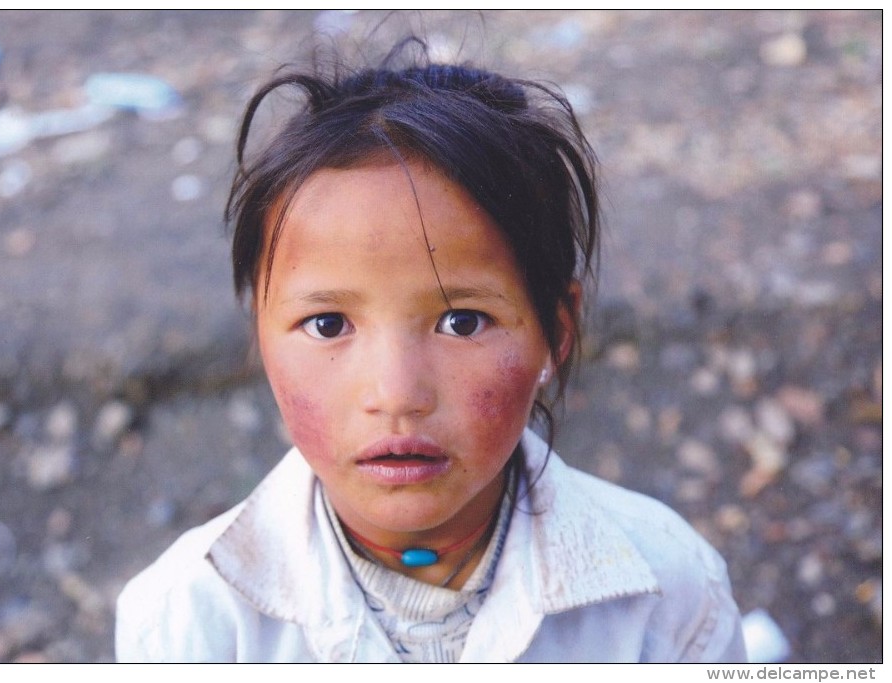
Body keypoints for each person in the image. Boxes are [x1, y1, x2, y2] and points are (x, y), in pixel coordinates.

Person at [115, 41, 747, 663]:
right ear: (261, 337)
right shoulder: (185, 624)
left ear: (556, 331)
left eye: (462, 321)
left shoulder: (670, 597)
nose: (395, 392)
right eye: (329, 324)